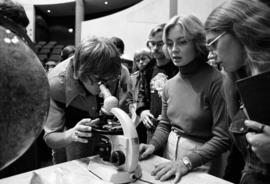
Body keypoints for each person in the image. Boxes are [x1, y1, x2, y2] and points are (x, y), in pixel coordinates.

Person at [139, 15, 231, 183]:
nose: (173, 49)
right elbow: (165, 124)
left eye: (182, 42)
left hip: (203, 163)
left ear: (197, 43)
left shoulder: (217, 81)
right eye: (169, 43)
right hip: (170, 159)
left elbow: (223, 138)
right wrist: (152, 145)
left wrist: (186, 162)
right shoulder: (169, 84)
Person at [204, 0, 270, 183]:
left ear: (241, 30)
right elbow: (239, 155)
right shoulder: (235, 81)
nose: (210, 54)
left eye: (213, 44)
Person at [43, 36, 122, 162]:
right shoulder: (54, 85)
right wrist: (71, 134)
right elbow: (51, 137)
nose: (106, 88)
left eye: (111, 79)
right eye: (102, 81)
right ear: (82, 74)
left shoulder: (111, 69)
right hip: (71, 134)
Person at [136, 23, 178, 144]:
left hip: (173, 129)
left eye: (160, 44)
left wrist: (170, 115)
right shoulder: (147, 69)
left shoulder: (177, 68)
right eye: (152, 44)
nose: (155, 48)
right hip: (152, 128)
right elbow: (142, 95)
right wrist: (142, 111)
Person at [126, 48, 153, 142]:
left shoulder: (154, 75)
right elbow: (129, 97)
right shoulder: (132, 78)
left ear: (151, 58)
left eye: (143, 59)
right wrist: (132, 108)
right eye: (137, 60)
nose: (140, 62)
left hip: (149, 114)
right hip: (135, 115)